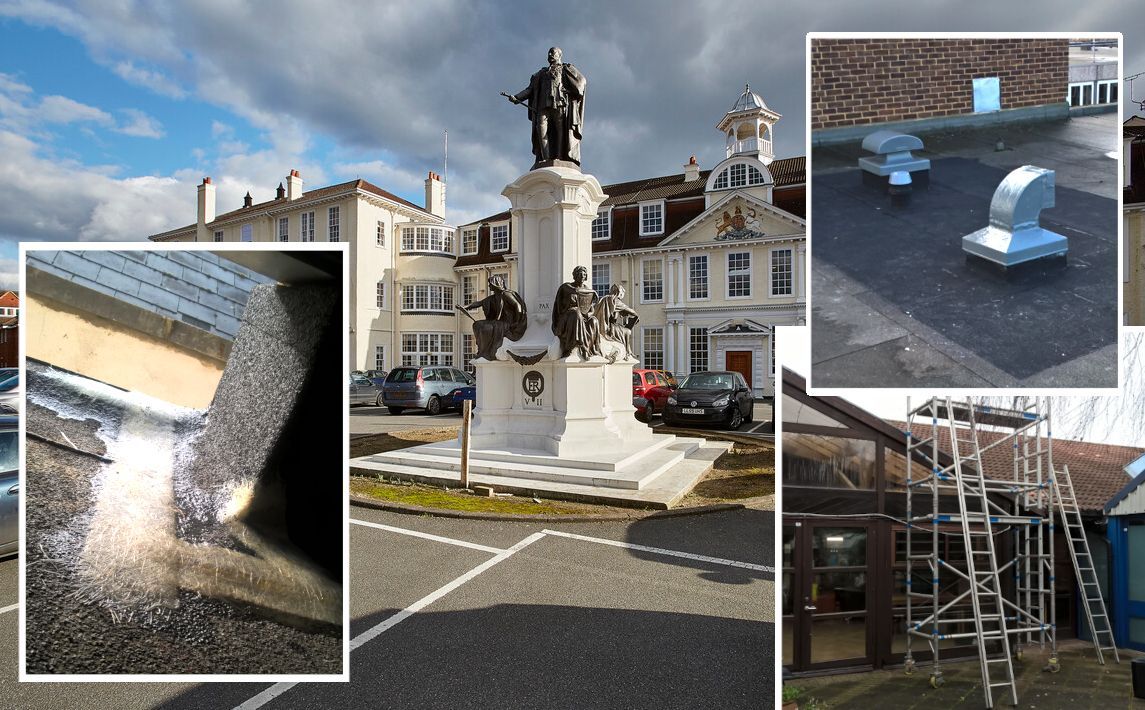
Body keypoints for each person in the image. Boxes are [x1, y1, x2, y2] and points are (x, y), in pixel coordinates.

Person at [506, 46, 586, 167]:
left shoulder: (566, 69)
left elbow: (582, 81)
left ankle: (559, 156)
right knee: (541, 130)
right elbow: (529, 90)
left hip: (560, 104)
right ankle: (545, 158)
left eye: (552, 53)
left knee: (561, 131)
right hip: (543, 107)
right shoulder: (541, 74)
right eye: (549, 53)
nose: (550, 55)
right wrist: (517, 97)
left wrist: (569, 91)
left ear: (560, 55)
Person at [461, 276, 527, 360]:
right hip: (499, 322)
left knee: (484, 327)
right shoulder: (494, 297)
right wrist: (465, 307)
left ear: (495, 284)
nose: (489, 286)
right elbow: (479, 303)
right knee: (477, 324)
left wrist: (517, 322)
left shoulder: (506, 294)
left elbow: (517, 305)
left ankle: (485, 352)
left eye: (490, 284)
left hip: (508, 324)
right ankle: (482, 351)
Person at [551, 266, 601, 359]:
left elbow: (591, 310)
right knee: (576, 312)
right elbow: (574, 292)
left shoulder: (587, 290)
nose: (582, 276)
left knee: (594, 320)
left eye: (584, 275)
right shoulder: (566, 287)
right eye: (579, 274)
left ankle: (591, 348)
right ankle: (573, 347)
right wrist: (593, 291)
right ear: (575, 275)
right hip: (566, 318)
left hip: (581, 318)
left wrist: (588, 315)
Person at [594, 283, 639, 360]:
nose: (622, 296)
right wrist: (636, 316)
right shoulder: (615, 300)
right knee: (627, 331)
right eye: (622, 293)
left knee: (624, 329)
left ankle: (628, 351)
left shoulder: (605, 299)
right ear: (619, 292)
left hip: (601, 325)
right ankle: (628, 352)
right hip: (608, 327)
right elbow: (632, 312)